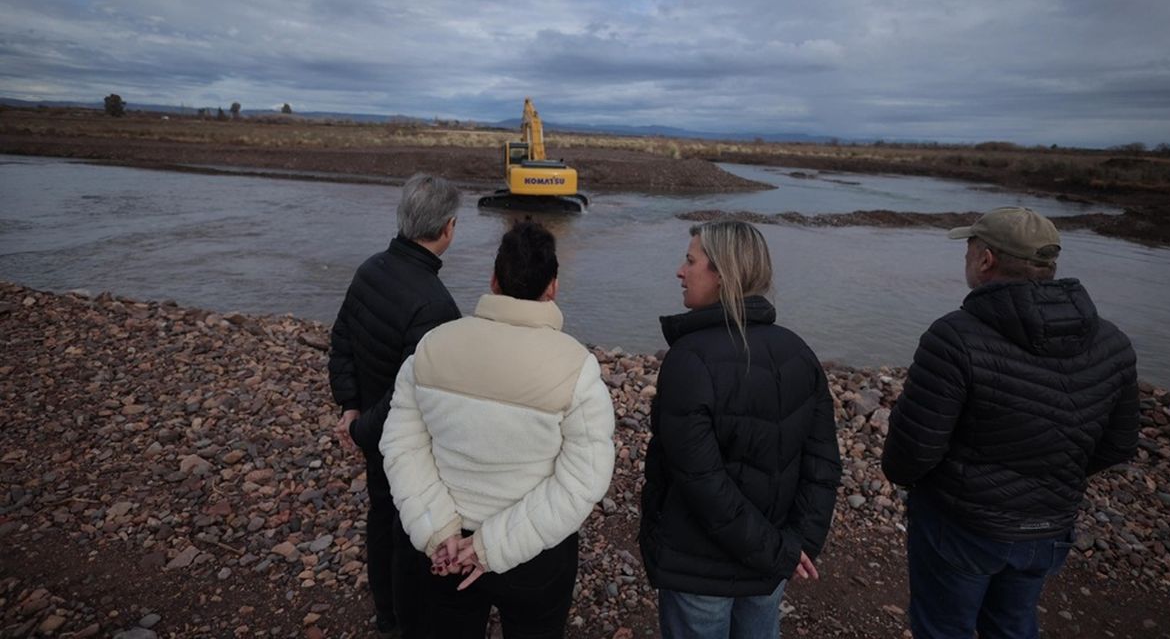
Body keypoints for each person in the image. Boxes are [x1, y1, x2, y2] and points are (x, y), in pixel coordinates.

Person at [882, 206, 1140, 639]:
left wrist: (947, 486)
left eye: (969, 248)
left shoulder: (955, 336)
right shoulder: (1112, 341)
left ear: (986, 259)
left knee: (944, 628)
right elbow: (1119, 443)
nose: (965, 257)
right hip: (1049, 524)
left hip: (961, 524)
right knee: (1012, 626)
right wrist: (1051, 478)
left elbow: (910, 455)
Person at [378, 220, 616, 639]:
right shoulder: (576, 367)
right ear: (553, 287)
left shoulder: (432, 346)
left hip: (444, 550)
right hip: (535, 555)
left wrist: (438, 530)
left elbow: (401, 447)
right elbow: (583, 480)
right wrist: (493, 547)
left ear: (493, 279)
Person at [639, 220, 842, 639]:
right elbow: (823, 464)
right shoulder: (799, 351)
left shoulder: (688, 359)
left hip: (700, 570)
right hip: (770, 563)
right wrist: (797, 544)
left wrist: (785, 548)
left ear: (722, 275)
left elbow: (700, 482)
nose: (680, 271)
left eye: (691, 261)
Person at [328, 173, 462, 637]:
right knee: (409, 532)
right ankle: (401, 621)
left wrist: (350, 409)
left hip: (368, 426)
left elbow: (341, 339)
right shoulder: (437, 307)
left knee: (381, 517)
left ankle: (385, 612)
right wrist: (359, 425)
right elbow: (411, 397)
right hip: (399, 442)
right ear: (448, 228)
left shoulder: (370, 268)